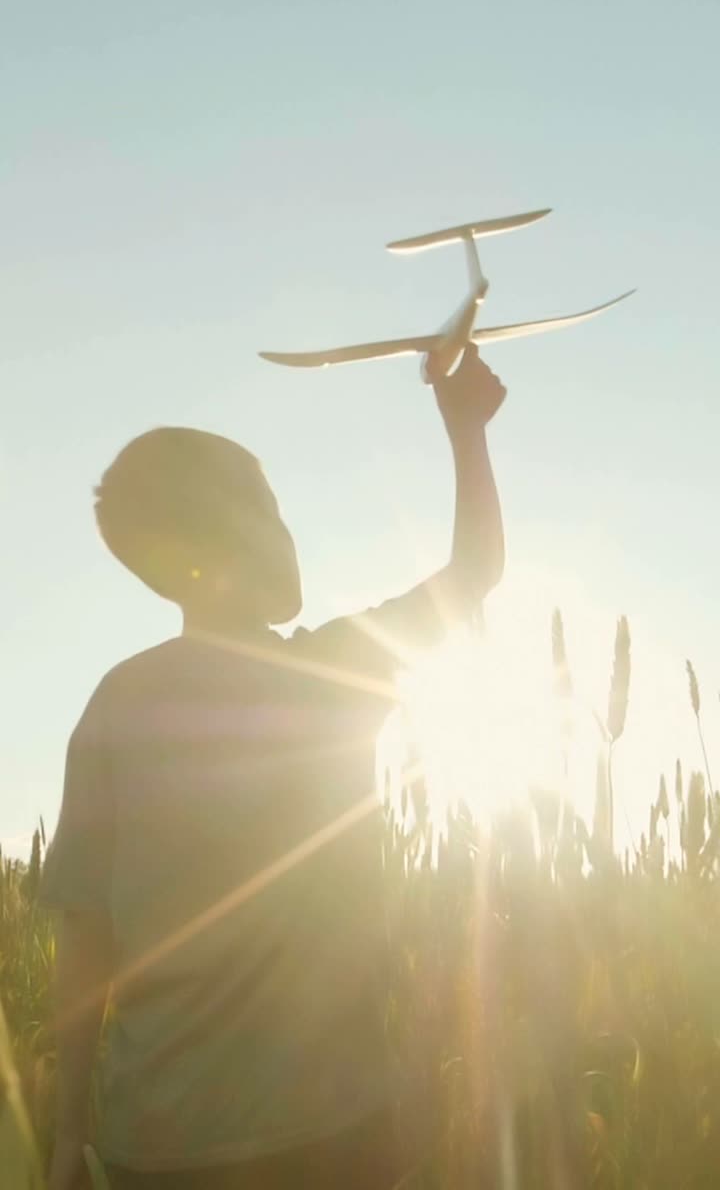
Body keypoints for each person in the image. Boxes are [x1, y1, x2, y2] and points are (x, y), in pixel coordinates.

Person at [42, 348, 506, 1190]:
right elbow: (474, 573)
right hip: (332, 1132)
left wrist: (67, 1133)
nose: (289, 531)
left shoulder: (116, 703)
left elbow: (85, 939)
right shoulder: (328, 673)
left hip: (159, 1144)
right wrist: (466, 430)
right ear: (229, 536)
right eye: (272, 510)